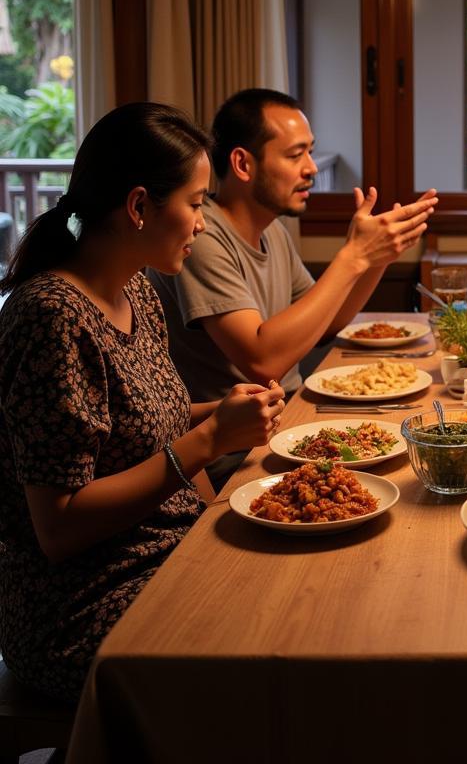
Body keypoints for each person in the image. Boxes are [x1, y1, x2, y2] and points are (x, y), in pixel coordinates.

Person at [0, 103, 285, 703]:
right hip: (82, 605)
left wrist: (227, 417)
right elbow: (59, 524)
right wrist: (210, 440)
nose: (204, 223)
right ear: (137, 207)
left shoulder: (136, 292)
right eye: (197, 203)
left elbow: (152, 427)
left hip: (168, 552)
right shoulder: (51, 317)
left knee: (302, 589)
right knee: (281, 648)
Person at [150, 88, 438, 404]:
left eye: (310, 152)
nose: (311, 168)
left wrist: (377, 258)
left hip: (286, 412)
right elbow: (262, 364)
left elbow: (327, 321)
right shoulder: (200, 236)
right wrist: (354, 255)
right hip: (233, 443)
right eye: (294, 155)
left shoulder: (273, 232)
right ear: (243, 164)